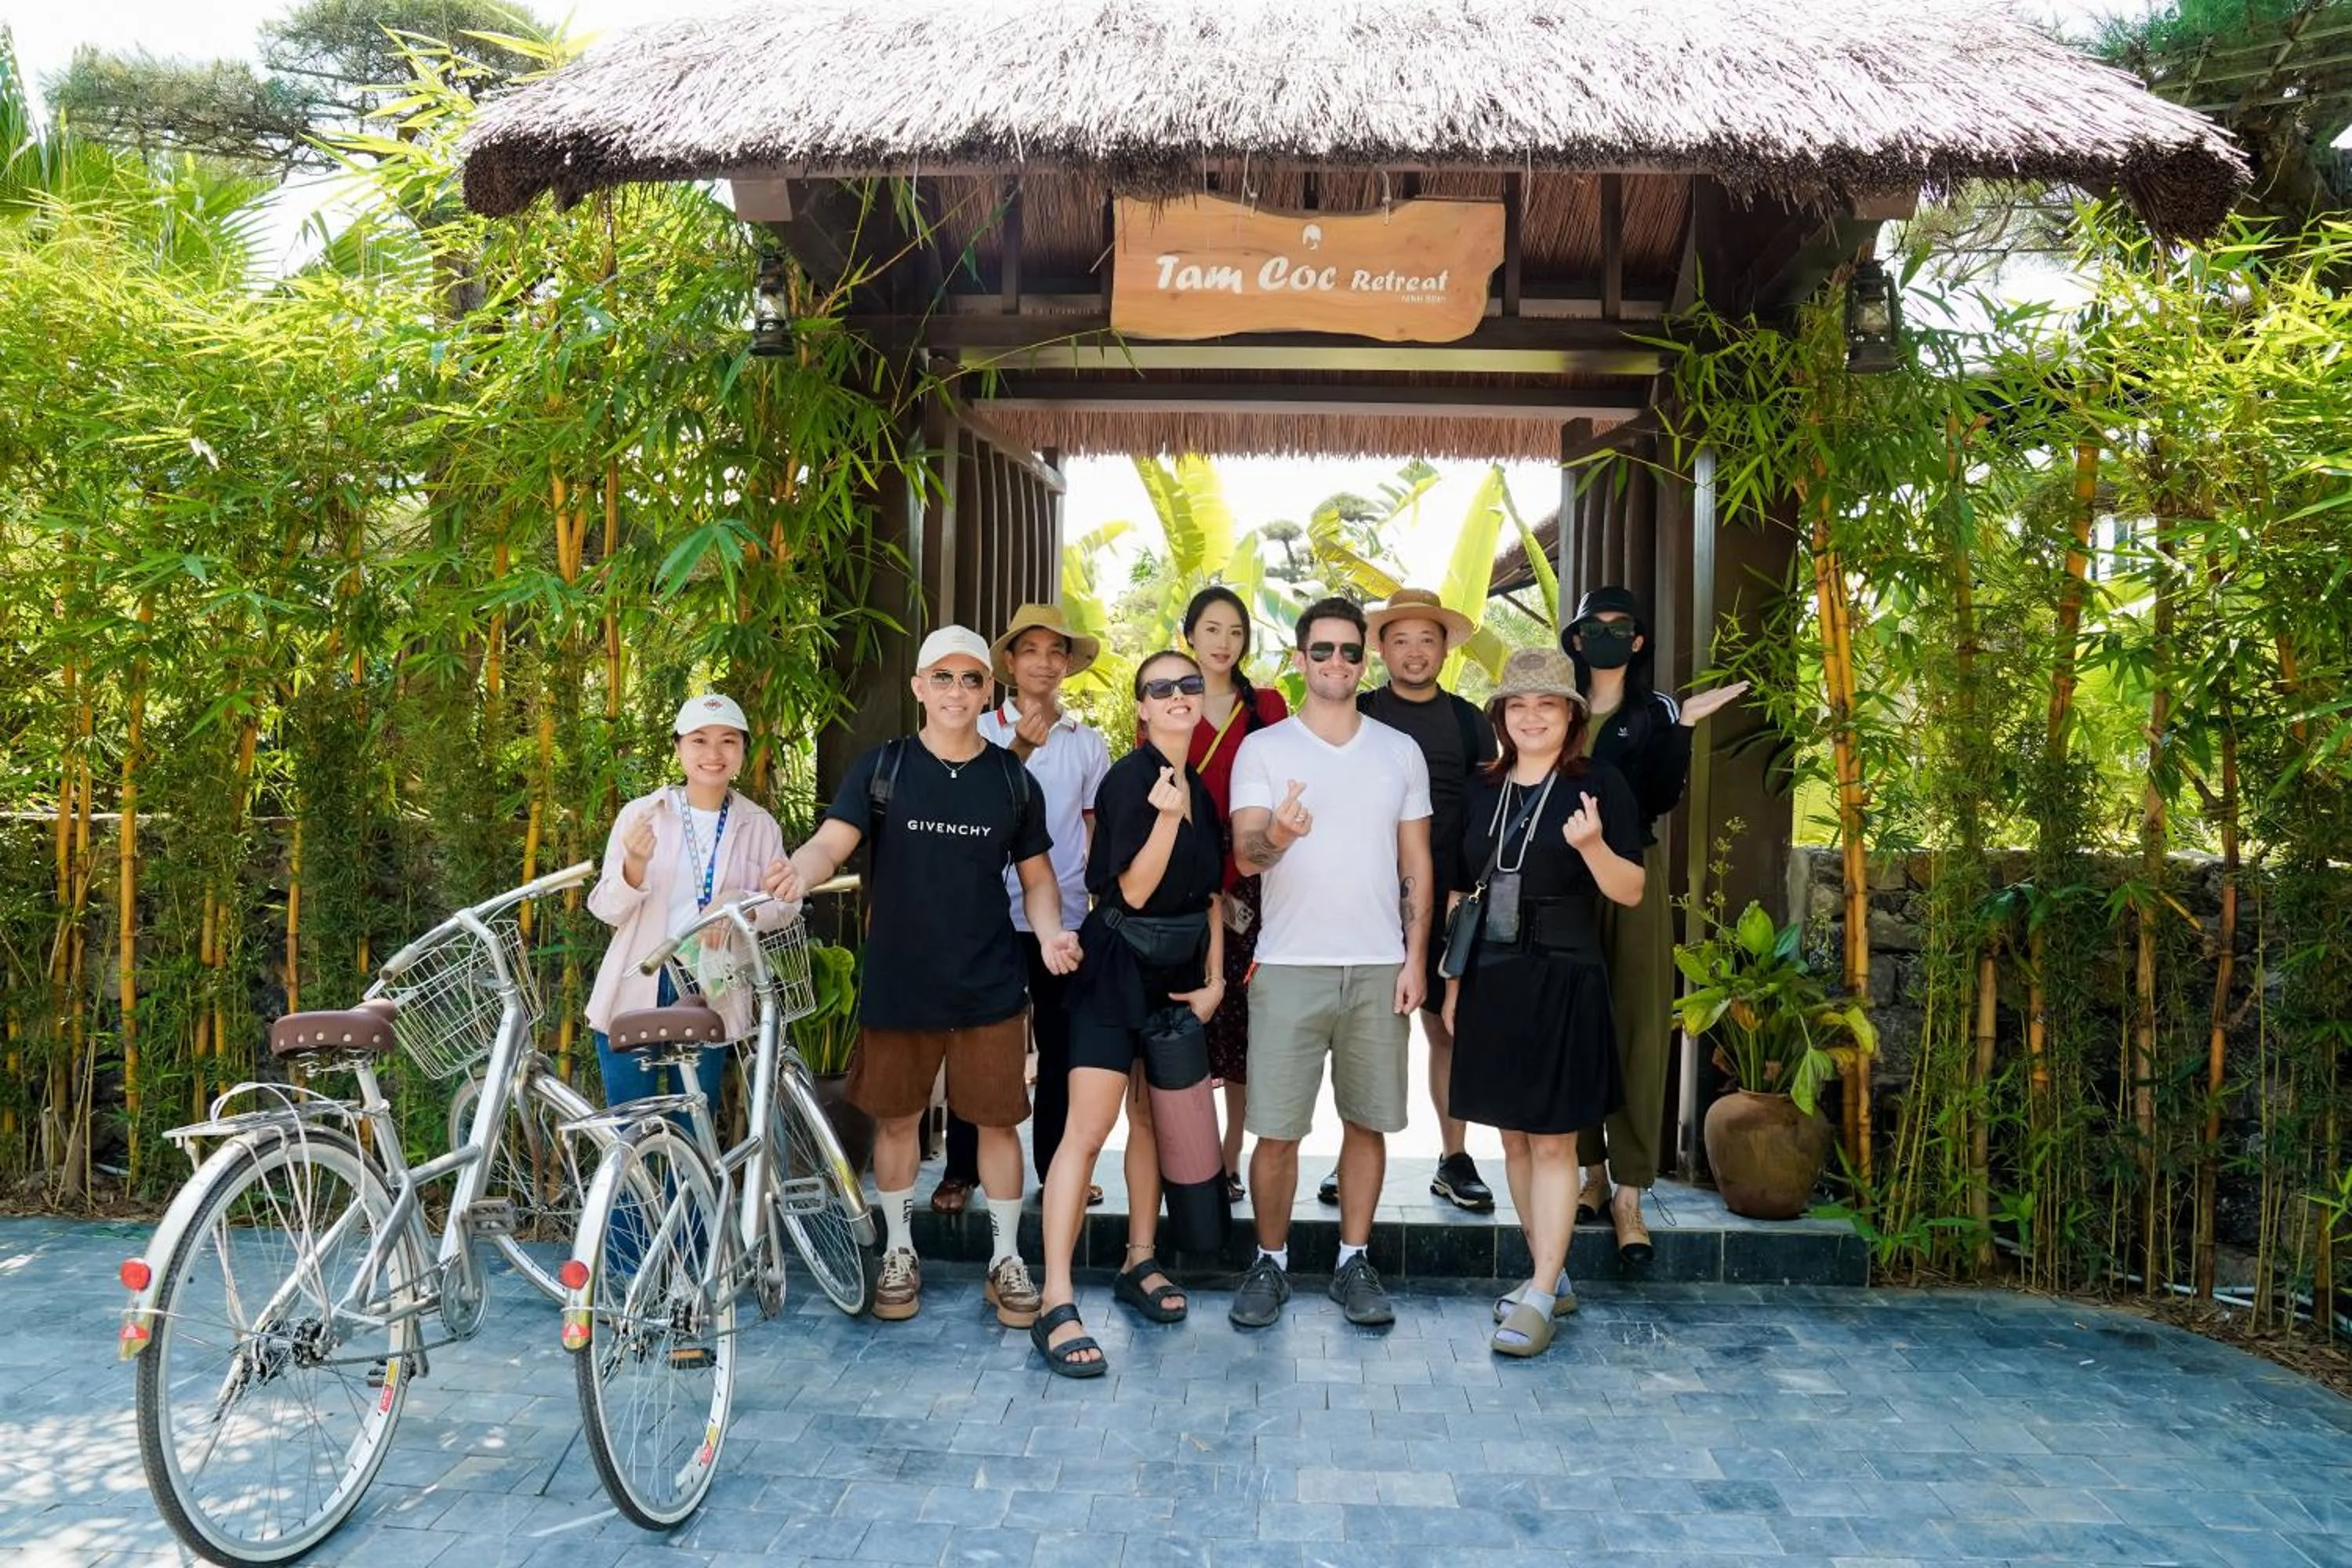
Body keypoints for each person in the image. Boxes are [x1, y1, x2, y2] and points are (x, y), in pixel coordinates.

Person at [763, 626, 1080, 1327]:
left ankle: (1006, 1257)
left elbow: (1037, 881)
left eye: (971, 680)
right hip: (901, 982)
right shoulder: (885, 768)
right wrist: (798, 872)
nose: (957, 692)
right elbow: (830, 844)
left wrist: (1053, 933)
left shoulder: (1010, 779)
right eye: (943, 678)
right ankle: (900, 1252)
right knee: (898, 1121)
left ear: (986, 692)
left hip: (989, 983)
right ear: (918, 688)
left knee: (998, 1126)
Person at [1225, 597, 1432, 1330]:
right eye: (1323, 651)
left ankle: (1354, 1260)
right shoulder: (1266, 749)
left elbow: (1417, 861)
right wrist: (1278, 833)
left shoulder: (1398, 751)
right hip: (1289, 966)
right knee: (1277, 1130)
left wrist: (1415, 958)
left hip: (1379, 966)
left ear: (1363, 658)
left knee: (1367, 1123)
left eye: (1350, 651)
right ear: (1300, 656)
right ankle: (1270, 1263)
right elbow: (1249, 851)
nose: (1337, 663)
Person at [1441, 648, 1646, 1358]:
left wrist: (1591, 847)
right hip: (1493, 975)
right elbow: (1459, 895)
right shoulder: (1481, 788)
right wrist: (1454, 987)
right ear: (1501, 716)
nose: (1531, 717)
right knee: (1513, 1136)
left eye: (1547, 705)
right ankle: (1545, 1274)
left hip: (1563, 971)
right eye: (1518, 706)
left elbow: (1631, 891)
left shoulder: (1600, 786)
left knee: (1555, 1139)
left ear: (1571, 716)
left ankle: (1539, 1291)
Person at [1031, 651, 1225, 1378]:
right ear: (1141, 707)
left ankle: (1139, 1260)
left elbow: (1206, 897)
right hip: (1114, 972)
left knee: (1150, 1120)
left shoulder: (1199, 787)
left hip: (1176, 977)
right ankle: (1055, 1296)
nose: (1179, 696)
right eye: (1162, 689)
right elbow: (1135, 892)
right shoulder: (1127, 782)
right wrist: (1168, 821)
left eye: (1189, 686)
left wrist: (1214, 981)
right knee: (1088, 1130)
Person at [1563, 586, 1748, 1262]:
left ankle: (1629, 1193)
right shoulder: (1556, 707)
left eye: (1621, 627)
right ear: (1576, 639)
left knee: (1639, 1026)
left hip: (1633, 869)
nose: (1608, 637)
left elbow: (1663, 798)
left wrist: (1682, 727)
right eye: (1595, 627)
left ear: (1638, 641)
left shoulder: (1653, 712)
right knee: (1573, 1022)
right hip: (1564, 880)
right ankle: (1585, 1174)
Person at [1316, 587, 1497, 1214]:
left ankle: (1454, 1157)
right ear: (1379, 649)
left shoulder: (1472, 722)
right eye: (1400, 640)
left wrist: (1464, 889)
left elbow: (1486, 816)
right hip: (1362, 899)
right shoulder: (1354, 711)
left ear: (1445, 648)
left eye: (1427, 639)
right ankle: (1352, 1158)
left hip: (1444, 900)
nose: (1414, 652)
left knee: (1447, 1030)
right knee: (1360, 1034)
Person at [930, 604, 1111, 1217]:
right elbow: (978, 803)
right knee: (978, 1045)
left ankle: (1057, 1169)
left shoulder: (1089, 743)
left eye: (1055, 651)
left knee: (1062, 1048)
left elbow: (1094, 830)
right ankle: (961, 1170)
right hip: (985, 917)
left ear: (1067, 665)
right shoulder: (974, 731)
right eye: (1030, 649)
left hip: (1060, 921)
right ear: (1008, 663)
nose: (1043, 661)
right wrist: (1022, 750)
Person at [586, 693, 786, 1108]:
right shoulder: (643, 814)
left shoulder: (759, 825)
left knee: (695, 1124)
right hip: (639, 980)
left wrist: (736, 905)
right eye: (698, 740)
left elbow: (785, 905)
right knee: (631, 1124)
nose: (713, 754)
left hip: (711, 982)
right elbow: (605, 908)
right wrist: (634, 867)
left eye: (728, 741)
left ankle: (690, 1176)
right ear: (678, 748)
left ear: (744, 750)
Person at [1177, 586, 1290, 1202]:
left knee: (1245, 1024)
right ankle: (1188, 1154)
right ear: (1189, 634)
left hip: (1253, 877)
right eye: (1212, 630)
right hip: (1186, 877)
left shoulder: (1267, 706)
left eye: (1236, 633)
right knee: (1191, 1018)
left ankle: (1230, 1153)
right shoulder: (1168, 699)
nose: (1224, 644)